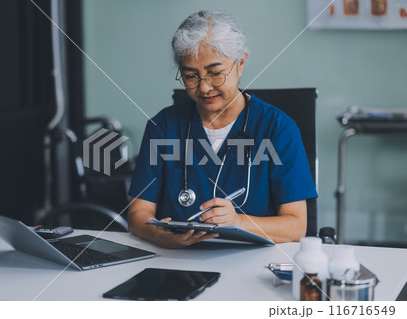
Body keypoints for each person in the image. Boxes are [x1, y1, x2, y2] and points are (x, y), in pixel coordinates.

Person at [127, 10, 317, 248]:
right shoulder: (162, 127)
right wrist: (161, 236)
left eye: (215, 73)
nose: (204, 87)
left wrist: (238, 221)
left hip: (252, 266)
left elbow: (296, 225)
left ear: (240, 63)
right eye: (190, 76)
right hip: (179, 265)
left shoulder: (278, 129)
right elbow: (137, 213)